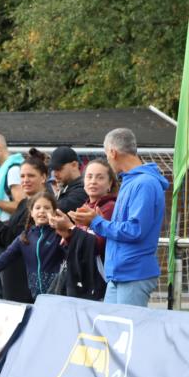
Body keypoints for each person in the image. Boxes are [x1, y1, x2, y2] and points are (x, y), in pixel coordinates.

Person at [72, 128, 167, 307]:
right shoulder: (131, 181)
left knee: (129, 332)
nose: (108, 160)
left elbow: (135, 230)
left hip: (133, 274)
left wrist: (96, 222)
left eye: (107, 155)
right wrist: (100, 220)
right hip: (119, 274)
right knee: (111, 331)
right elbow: (124, 227)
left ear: (113, 152)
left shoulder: (144, 183)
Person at [0, 149, 54, 303]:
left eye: (31, 176)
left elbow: (14, 239)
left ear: (43, 177)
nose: (25, 180)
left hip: (27, 280)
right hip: (14, 276)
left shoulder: (44, 206)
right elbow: (10, 238)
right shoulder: (24, 203)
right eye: (22, 176)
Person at [0, 193, 64, 299]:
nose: (42, 211)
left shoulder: (60, 234)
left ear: (54, 212)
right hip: (36, 298)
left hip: (58, 297)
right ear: (31, 213)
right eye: (37, 208)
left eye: (47, 208)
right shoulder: (25, 237)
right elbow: (3, 259)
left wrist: (64, 230)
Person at [49, 159, 119, 300]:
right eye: (89, 176)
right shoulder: (85, 207)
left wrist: (70, 228)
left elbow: (98, 245)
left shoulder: (110, 207)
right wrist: (65, 233)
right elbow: (77, 244)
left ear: (110, 184)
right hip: (83, 277)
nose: (93, 181)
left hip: (99, 279)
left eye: (100, 177)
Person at [48, 146, 88, 213]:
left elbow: (57, 210)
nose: (55, 174)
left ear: (74, 165)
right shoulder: (68, 188)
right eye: (53, 170)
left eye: (59, 169)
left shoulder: (83, 189)